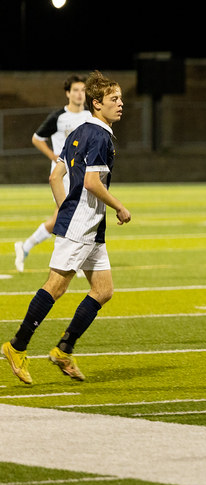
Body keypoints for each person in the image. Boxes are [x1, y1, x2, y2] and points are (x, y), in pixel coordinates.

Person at [2, 71, 132, 385]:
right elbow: (91, 182)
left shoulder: (79, 130)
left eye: (121, 98)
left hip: (87, 225)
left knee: (103, 291)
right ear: (97, 103)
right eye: (114, 99)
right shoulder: (100, 135)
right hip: (83, 226)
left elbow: (54, 177)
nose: (121, 104)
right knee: (56, 286)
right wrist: (119, 206)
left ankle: (64, 349)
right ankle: (16, 346)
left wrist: (65, 208)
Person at [14, 74, 92, 273]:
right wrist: (53, 155)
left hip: (82, 175)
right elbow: (36, 138)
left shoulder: (89, 117)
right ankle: (72, 260)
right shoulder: (58, 117)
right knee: (68, 215)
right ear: (68, 93)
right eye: (75, 90)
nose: (79, 94)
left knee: (69, 216)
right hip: (62, 176)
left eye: (83, 90)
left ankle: (26, 247)